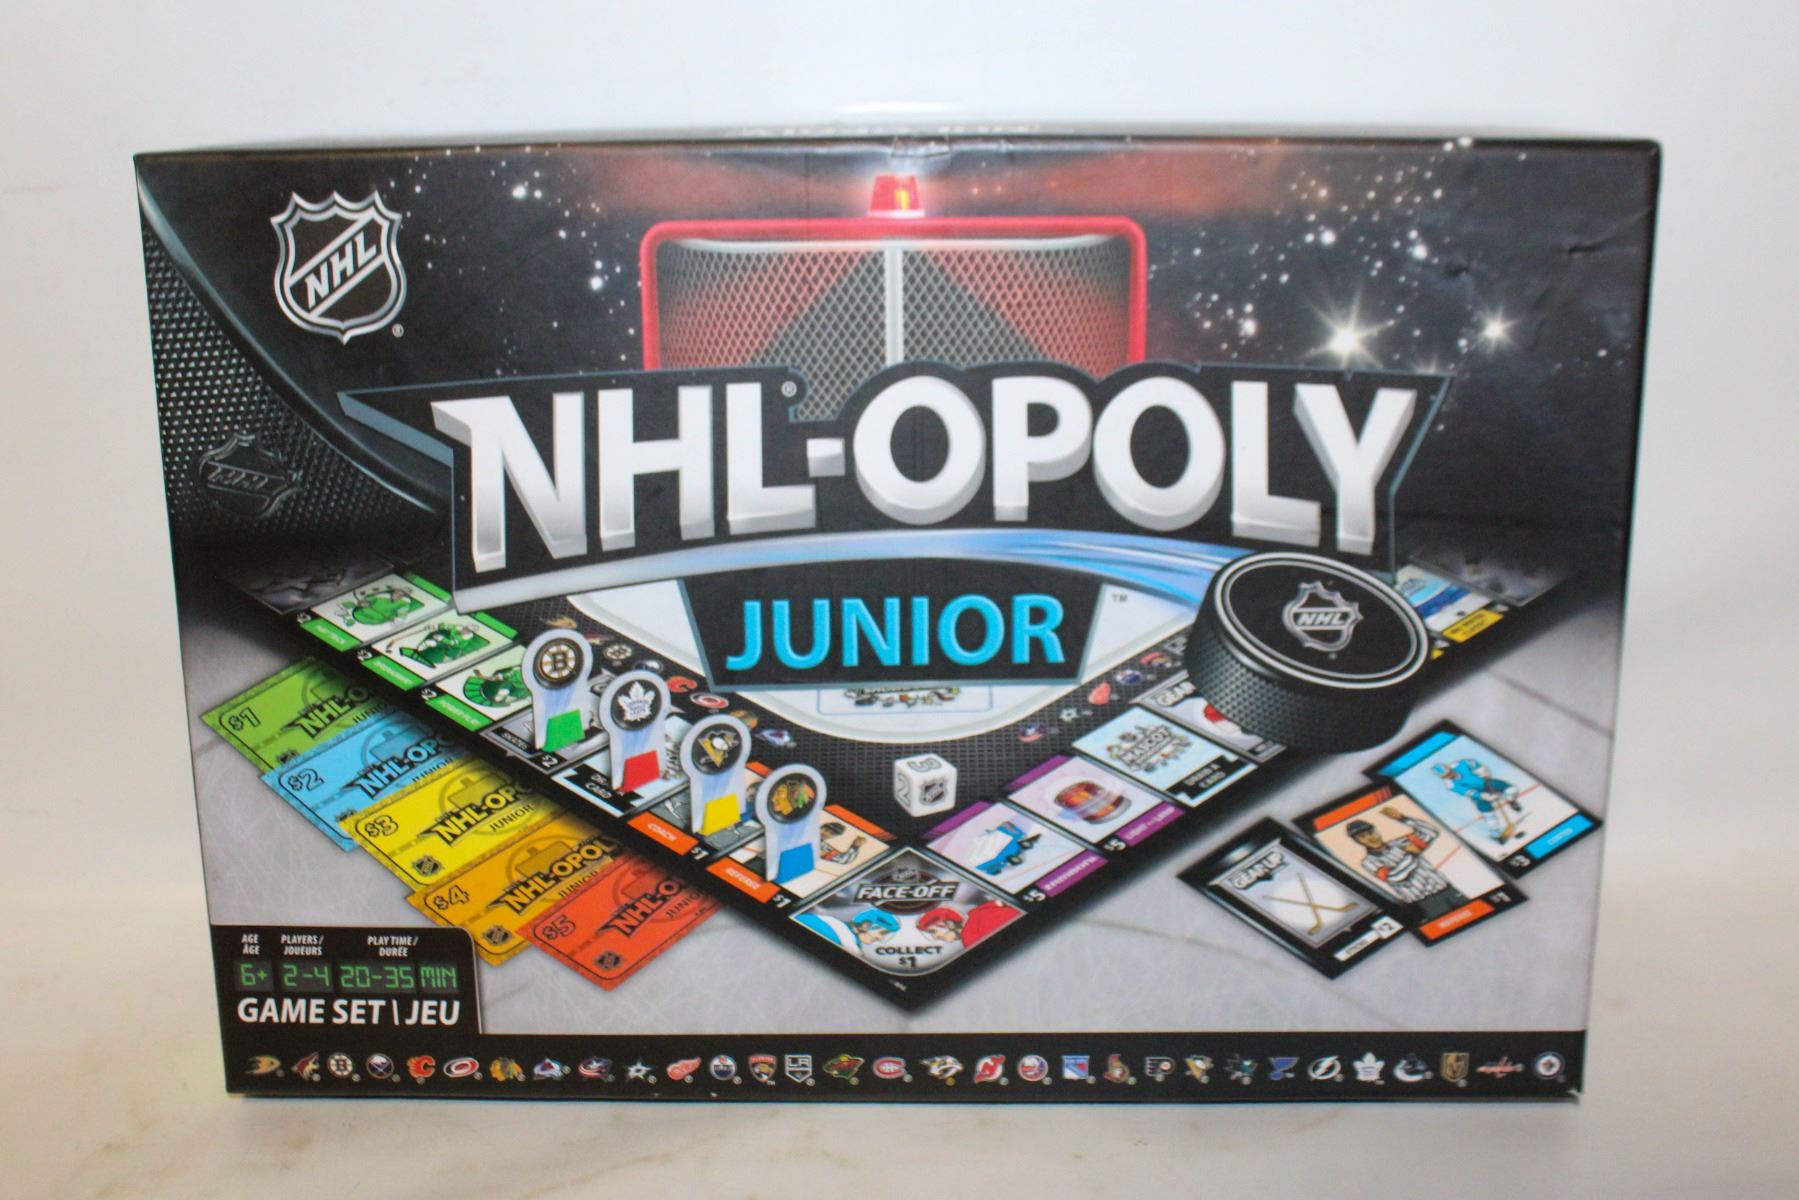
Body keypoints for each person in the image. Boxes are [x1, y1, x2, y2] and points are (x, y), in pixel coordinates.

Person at [1347, 807, 1467, 919]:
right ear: (1357, 841)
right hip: (1425, 901)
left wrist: (1403, 818)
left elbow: (1431, 832)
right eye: (1362, 836)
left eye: (1370, 832)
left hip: (1447, 889)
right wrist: (1411, 854)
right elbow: (1394, 877)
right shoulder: (1369, 862)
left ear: (1376, 830)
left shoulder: (1401, 842)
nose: (1369, 837)